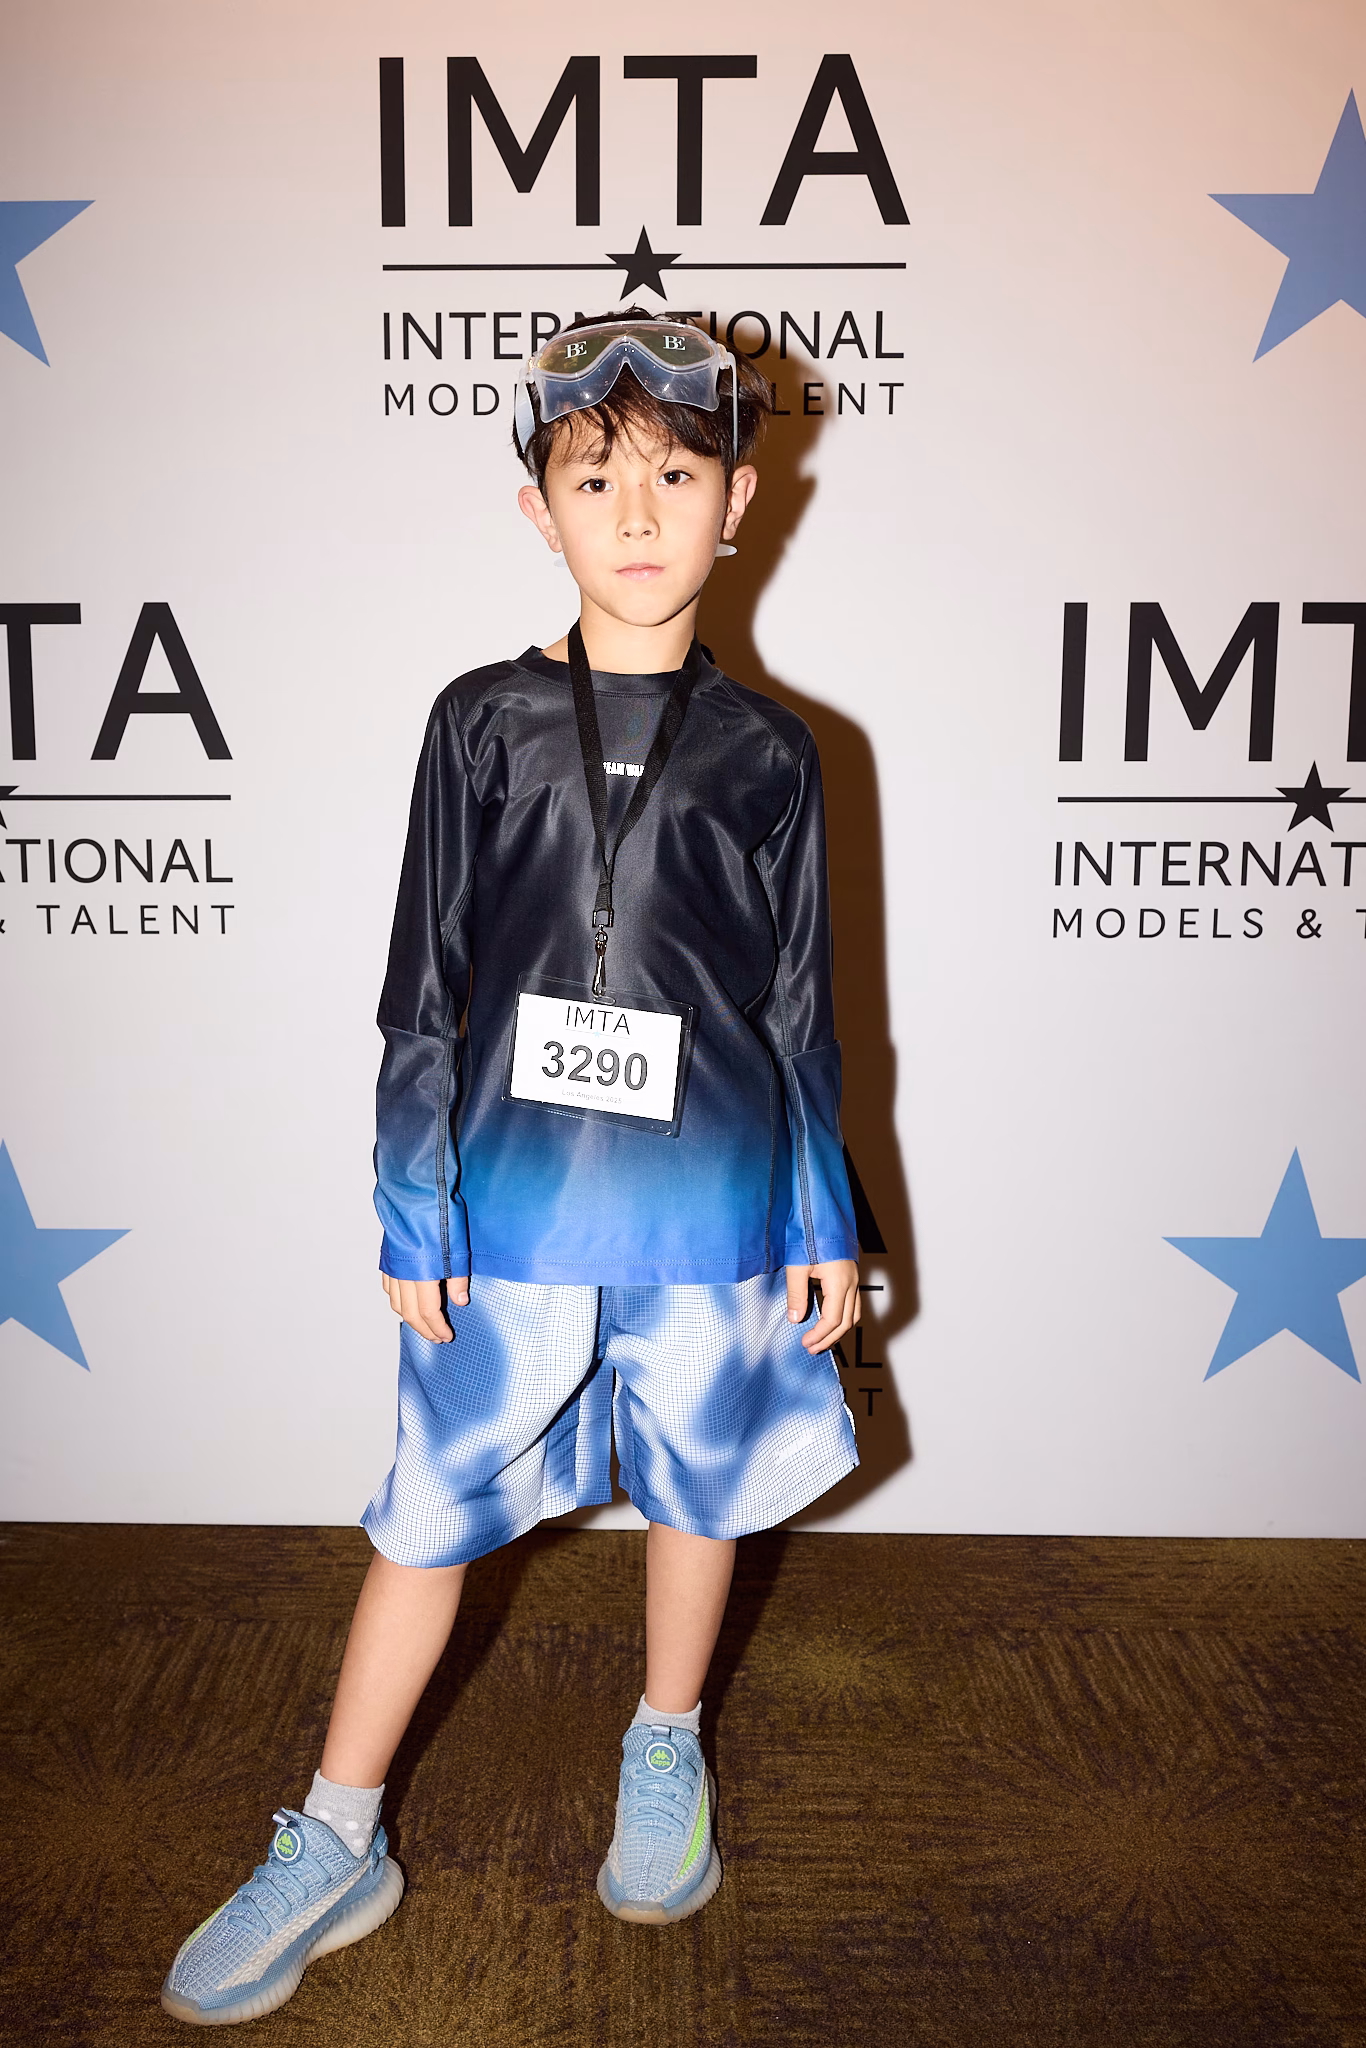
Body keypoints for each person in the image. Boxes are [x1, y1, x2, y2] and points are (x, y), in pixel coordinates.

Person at [162, 311, 862, 2026]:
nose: (637, 511)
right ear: (538, 512)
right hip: (517, 1207)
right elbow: (422, 988)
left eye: (676, 475)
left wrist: (822, 1216)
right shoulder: (477, 723)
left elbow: (799, 1013)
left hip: (712, 1209)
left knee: (699, 1488)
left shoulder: (774, 753)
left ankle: (664, 1739)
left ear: (740, 500)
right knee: (429, 1512)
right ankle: (337, 1836)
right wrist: (414, 1206)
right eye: (594, 478)